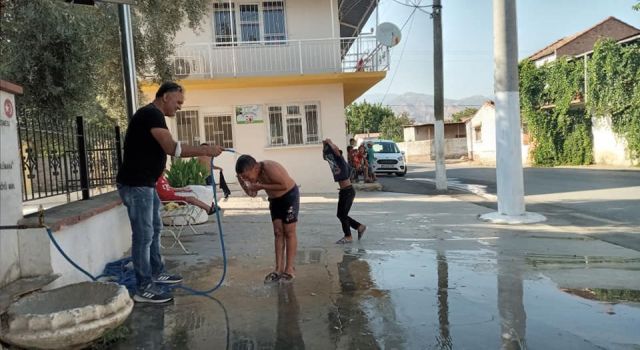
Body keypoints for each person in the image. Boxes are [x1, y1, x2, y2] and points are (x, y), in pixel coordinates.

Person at [116, 82, 223, 303]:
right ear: (165, 96)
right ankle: (143, 287)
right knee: (144, 235)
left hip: (147, 184)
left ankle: (157, 272)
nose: (180, 107)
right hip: (137, 185)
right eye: (178, 101)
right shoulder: (150, 115)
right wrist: (204, 150)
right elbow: (171, 148)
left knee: (155, 228)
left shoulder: (155, 116)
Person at [235, 155, 299, 283]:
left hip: (289, 196)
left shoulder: (270, 167)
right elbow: (252, 194)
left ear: (255, 167)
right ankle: (278, 269)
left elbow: (284, 185)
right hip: (275, 200)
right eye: (244, 178)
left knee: (289, 232)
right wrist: (243, 183)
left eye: (247, 176)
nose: (247, 179)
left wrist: (262, 186)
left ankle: (289, 269)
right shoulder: (253, 174)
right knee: (278, 232)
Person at [322, 139, 366, 244]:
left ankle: (348, 236)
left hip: (348, 191)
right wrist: (324, 146)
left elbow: (336, 151)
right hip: (344, 191)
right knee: (340, 214)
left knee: (342, 215)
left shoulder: (340, 159)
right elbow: (325, 157)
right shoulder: (333, 161)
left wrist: (330, 142)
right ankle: (359, 227)